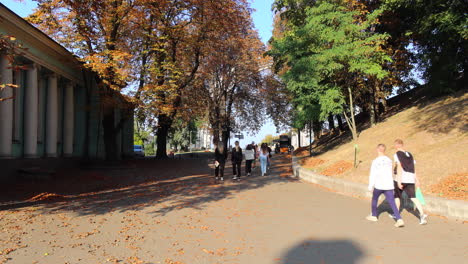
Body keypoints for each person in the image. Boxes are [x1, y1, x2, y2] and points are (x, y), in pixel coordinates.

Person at [366, 144, 405, 228]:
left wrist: (370, 186)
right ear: (384, 150)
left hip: (379, 185)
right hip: (388, 185)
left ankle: (374, 215)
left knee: (374, 199)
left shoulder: (375, 161)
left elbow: (373, 174)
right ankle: (399, 219)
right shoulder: (389, 160)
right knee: (392, 202)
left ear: (377, 149)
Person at [391, 139, 427, 225]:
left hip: (401, 178)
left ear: (396, 146)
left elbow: (399, 167)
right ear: (402, 145)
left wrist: (399, 181)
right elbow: (413, 168)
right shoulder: (410, 155)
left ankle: (396, 214)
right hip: (410, 179)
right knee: (413, 197)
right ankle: (422, 215)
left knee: (397, 196)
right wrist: (416, 180)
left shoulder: (397, 154)